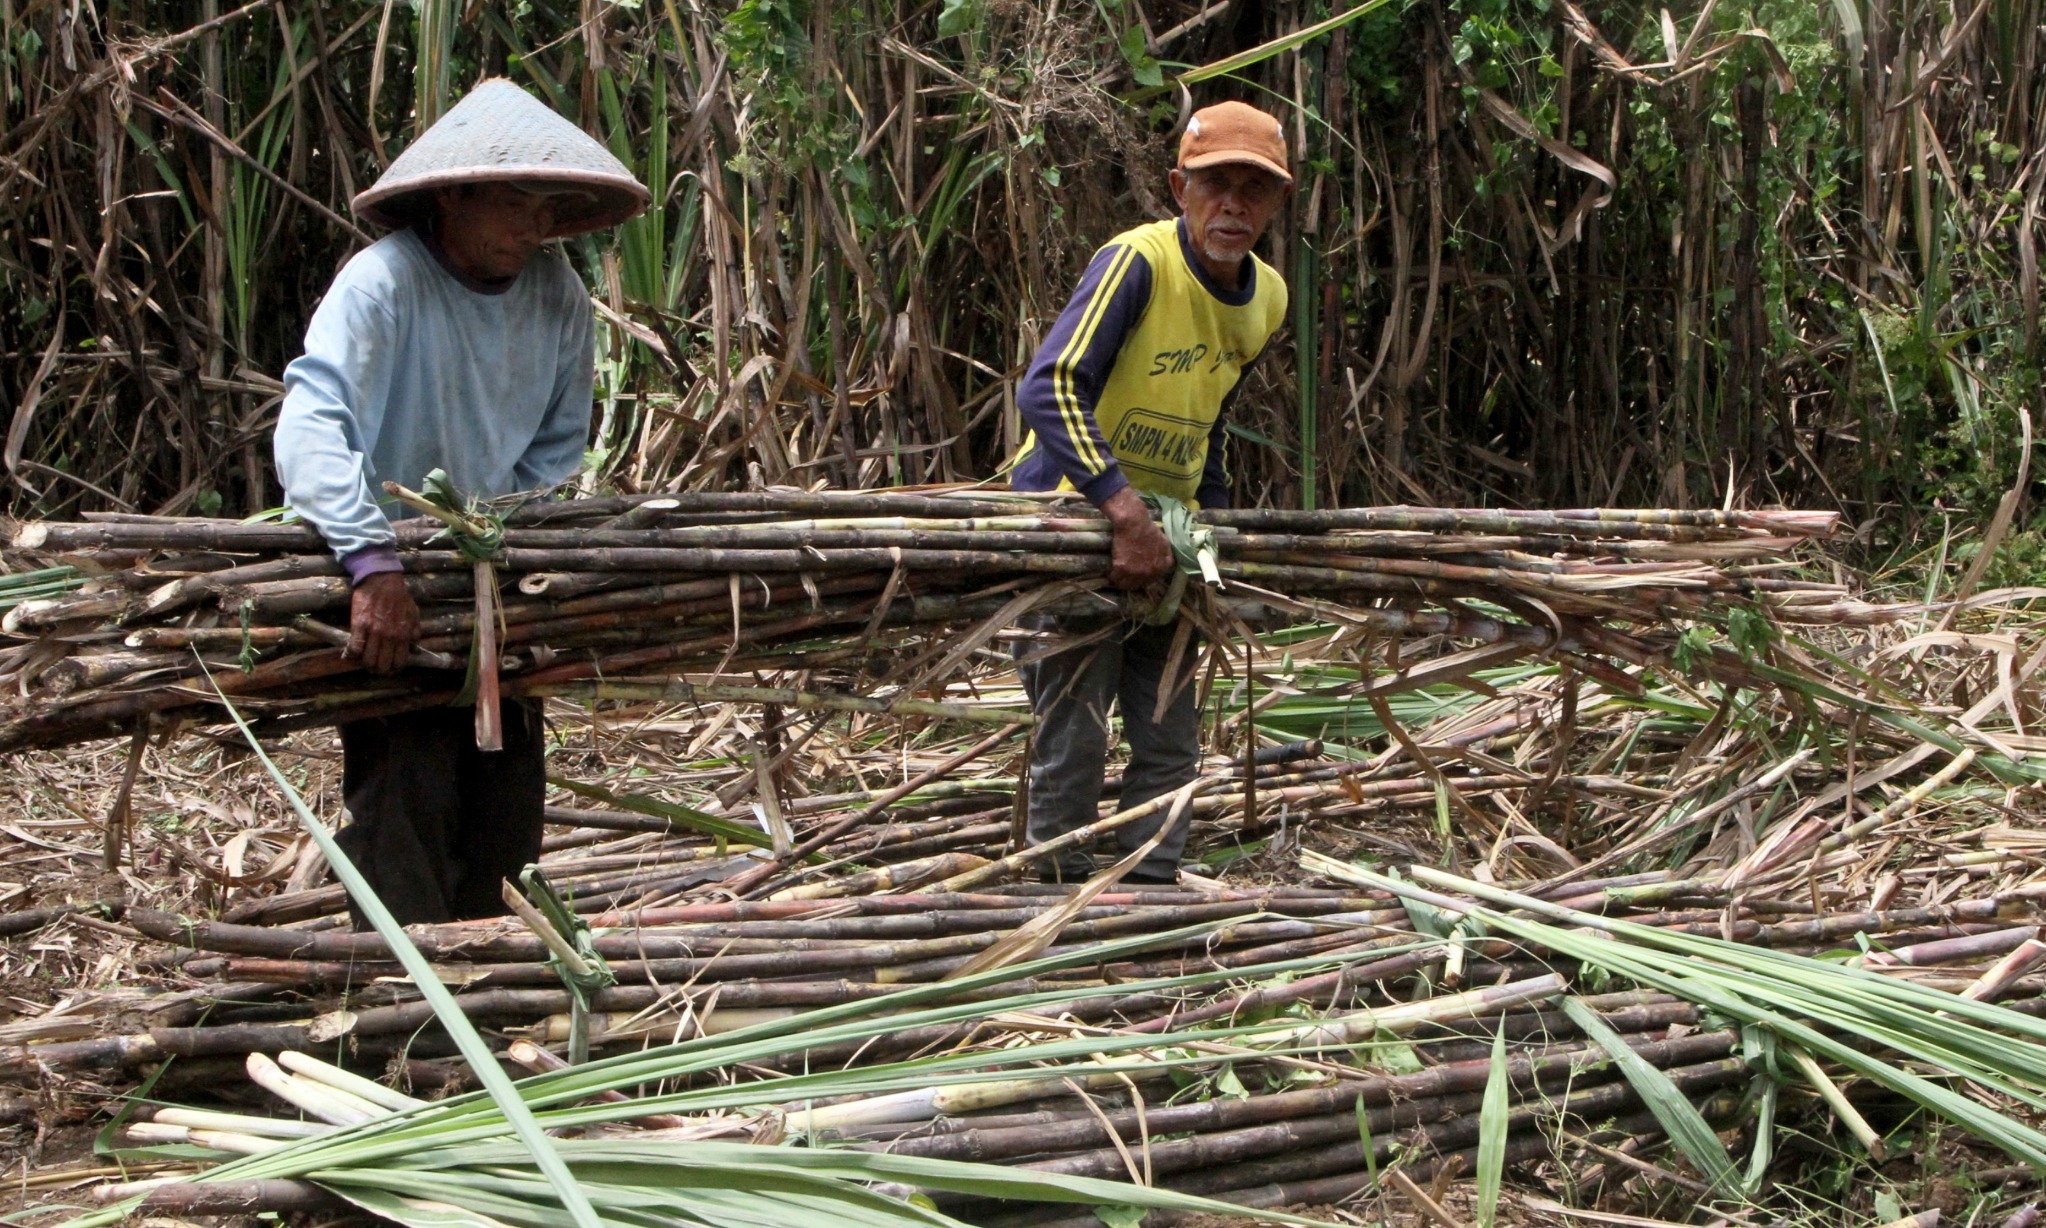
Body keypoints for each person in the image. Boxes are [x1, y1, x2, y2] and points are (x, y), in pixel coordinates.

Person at [273, 79, 649, 926]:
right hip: (391, 586)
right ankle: (398, 1017)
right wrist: (372, 565)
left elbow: (555, 455)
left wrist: (513, 560)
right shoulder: (382, 287)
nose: (537, 226)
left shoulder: (556, 297)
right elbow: (310, 431)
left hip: (495, 588)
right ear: (453, 195)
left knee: (505, 819)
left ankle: (483, 993)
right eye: (517, 201)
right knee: (404, 800)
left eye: (548, 205)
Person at [1006, 101, 1292, 885]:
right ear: (1178, 188)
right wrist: (1122, 511)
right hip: (1069, 517)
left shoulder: (1267, 298)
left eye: (1254, 190)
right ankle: (1056, 892)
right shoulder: (1138, 263)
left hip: (1169, 535)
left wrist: (1214, 535)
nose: (1233, 205)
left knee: (1167, 727)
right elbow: (1050, 384)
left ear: (1275, 203)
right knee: (1076, 727)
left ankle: (1150, 886)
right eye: (1214, 185)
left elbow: (1213, 419)